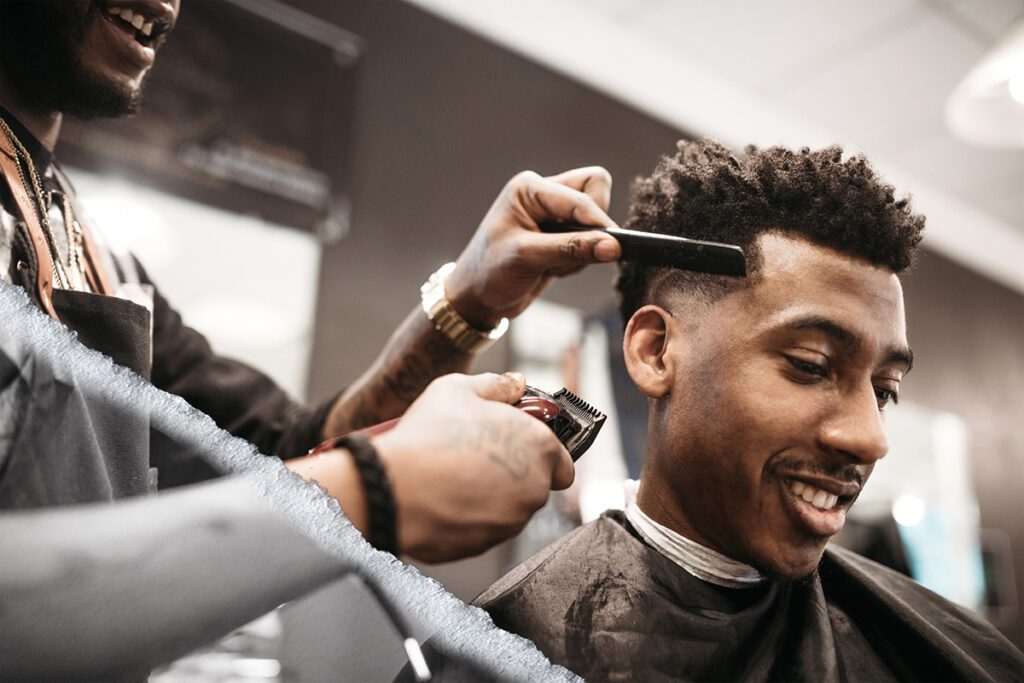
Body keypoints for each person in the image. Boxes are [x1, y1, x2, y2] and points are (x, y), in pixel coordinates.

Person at [0, 0, 623, 676]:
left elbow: (289, 446)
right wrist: (371, 490)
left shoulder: (104, 261)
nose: (164, 6)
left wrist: (469, 300)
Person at [475, 140, 1024, 681]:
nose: (871, 438)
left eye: (884, 390)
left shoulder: (959, 654)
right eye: (810, 365)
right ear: (655, 352)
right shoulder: (505, 651)